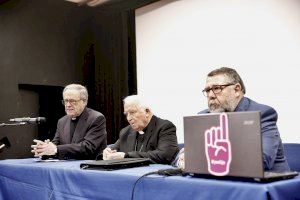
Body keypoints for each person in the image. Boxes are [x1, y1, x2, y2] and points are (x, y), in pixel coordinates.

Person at [175, 67, 290, 172]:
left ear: (236, 90)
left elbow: (262, 160)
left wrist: (200, 159)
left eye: (216, 88)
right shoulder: (203, 116)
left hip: (267, 185)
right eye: (208, 90)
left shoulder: (263, 114)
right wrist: (183, 160)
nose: (211, 95)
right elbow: (184, 154)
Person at [31, 84, 107, 160]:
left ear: (84, 101)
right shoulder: (62, 121)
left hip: (89, 168)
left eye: (72, 101)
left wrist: (55, 149)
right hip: (66, 168)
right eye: (65, 101)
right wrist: (44, 149)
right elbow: (56, 144)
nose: (68, 105)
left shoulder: (96, 118)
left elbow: (88, 147)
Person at [102, 95, 179, 164]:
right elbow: (115, 148)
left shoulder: (165, 127)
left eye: (132, 112)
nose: (128, 118)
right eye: (126, 114)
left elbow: (165, 155)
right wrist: (108, 151)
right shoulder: (126, 131)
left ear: (147, 112)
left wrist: (126, 156)